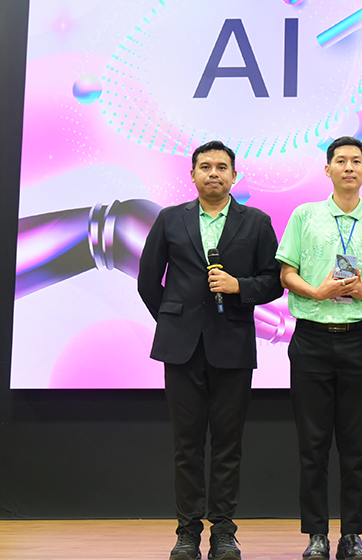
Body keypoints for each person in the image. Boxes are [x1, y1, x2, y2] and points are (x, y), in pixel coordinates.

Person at [138, 140, 283, 560]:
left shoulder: (256, 222)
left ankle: (223, 532)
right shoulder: (170, 219)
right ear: (193, 174)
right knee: (186, 445)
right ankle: (186, 533)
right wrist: (174, 320)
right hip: (181, 349)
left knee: (227, 445)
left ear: (234, 175)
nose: (213, 173)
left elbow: (274, 280)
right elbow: (148, 281)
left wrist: (240, 287)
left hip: (232, 345)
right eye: (205, 167)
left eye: (222, 167)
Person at [276, 137, 362, 560]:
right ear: (326, 169)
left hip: (358, 341)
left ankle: (352, 534)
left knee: (355, 445)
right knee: (312, 445)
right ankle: (315, 534)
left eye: (356, 161)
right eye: (340, 161)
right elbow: (286, 273)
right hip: (310, 339)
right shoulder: (305, 215)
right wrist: (317, 291)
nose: (348, 167)